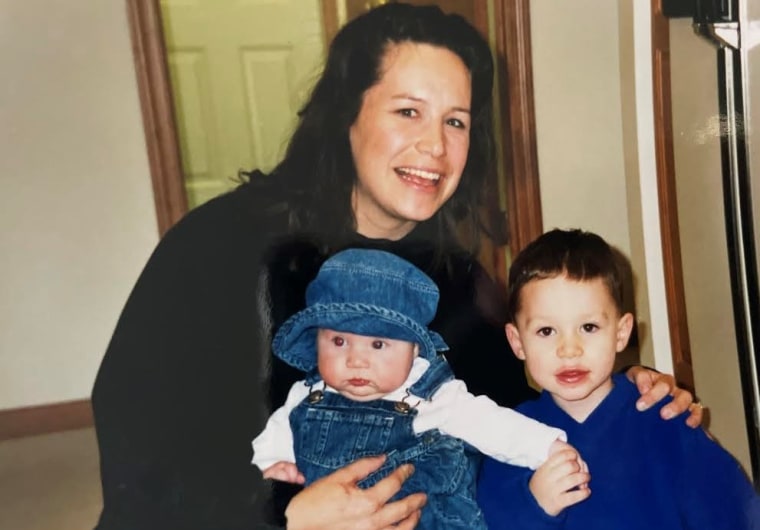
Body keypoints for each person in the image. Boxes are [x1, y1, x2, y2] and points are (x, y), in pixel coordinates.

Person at [91, 4, 699, 530]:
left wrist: (623, 389)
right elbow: (139, 455)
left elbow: (518, 415)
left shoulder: (455, 281)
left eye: (455, 121)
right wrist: (287, 513)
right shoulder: (221, 244)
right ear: (345, 116)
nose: (435, 146)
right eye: (408, 111)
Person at [252, 248, 580, 529]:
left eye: (378, 344)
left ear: (414, 350)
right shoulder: (306, 395)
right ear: (316, 340)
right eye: (338, 341)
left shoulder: (432, 394)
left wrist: (545, 447)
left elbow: (491, 424)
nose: (355, 360)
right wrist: (271, 464)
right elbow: (275, 440)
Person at [477, 228, 760, 530]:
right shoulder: (507, 436)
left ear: (621, 332)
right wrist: (533, 506)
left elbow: (735, 513)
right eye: (547, 331)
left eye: (588, 327)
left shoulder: (665, 419)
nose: (569, 350)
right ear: (517, 341)